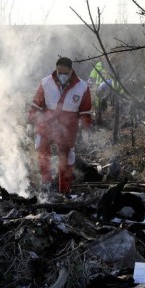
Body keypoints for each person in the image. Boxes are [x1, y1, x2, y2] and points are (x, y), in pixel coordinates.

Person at [29, 57, 93, 194]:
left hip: (68, 129)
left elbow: (85, 111)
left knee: (67, 159)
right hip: (47, 125)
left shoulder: (82, 87)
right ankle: (46, 183)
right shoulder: (46, 83)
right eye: (59, 72)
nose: (62, 76)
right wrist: (31, 121)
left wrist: (86, 129)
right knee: (42, 151)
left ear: (71, 71)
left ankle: (64, 191)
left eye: (65, 73)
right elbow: (36, 104)